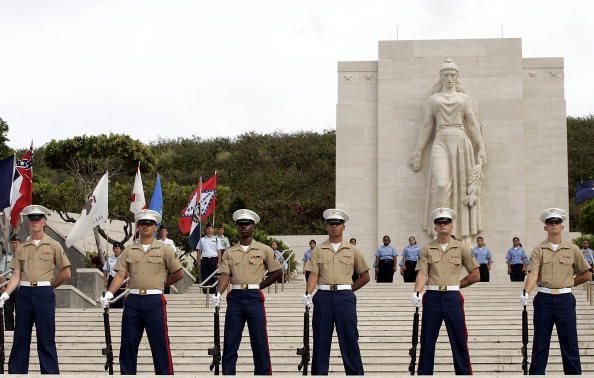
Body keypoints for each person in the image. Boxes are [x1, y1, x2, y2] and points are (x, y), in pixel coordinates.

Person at [410, 59, 487, 244]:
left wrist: (481, 146)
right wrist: (418, 152)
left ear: (457, 77)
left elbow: (472, 124)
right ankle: (440, 230)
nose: (450, 78)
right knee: (442, 184)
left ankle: (462, 234)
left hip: (461, 141)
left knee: (462, 189)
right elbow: (427, 125)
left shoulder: (463, 99)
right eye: (446, 75)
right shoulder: (434, 100)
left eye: (453, 75)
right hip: (441, 140)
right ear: (441, 77)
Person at [100, 209, 184, 375]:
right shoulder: (129, 250)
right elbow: (120, 275)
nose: (145, 226)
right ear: (138, 227)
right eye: (142, 223)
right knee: (128, 343)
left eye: (149, 223)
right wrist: (109, 293)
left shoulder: (164, 249)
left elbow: (179, 273)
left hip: (154, 301)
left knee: (159, 343)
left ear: (155, 227)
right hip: (133, 300)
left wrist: (162, 283)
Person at [0, 205, 71, 374]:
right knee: (20, 336)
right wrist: (5, 293)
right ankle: (16, 373)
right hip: (24, 294)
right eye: (32, 219)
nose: (35, 222)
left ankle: (50, 373)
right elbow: (16, 275)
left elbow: (66, 272)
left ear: (44, 221)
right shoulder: (22, 248)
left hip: (43, 294)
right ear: (28, 222)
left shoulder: (54, 245)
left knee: (46, 337)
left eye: (38, 218)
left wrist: (50, 285)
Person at [210, 209, 282, 375]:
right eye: (241, 225)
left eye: (247, 224)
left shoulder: (264, 249)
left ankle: (262, 374)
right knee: (230, 341)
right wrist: (218, 293)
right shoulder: (230, 252)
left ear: (253, 227)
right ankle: (229, 373)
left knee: (259, 341)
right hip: (235, 298)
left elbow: (277, 271)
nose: (244, 227)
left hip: (254, 297)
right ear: (237, 227)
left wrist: (260, 286)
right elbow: (225, 275)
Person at [520, 208, 591, 375]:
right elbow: (533, 273)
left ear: (562, 227)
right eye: (550, 223)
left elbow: (587, 273)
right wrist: (526, 292)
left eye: (557, 222)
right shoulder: (539, 250)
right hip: (543, 298)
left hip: (565, 299)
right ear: (545, 227)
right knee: (540, 343)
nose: (554, 225)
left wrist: (569, 283)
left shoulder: (572, 249)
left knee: (569, 343)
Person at [411, 207, 479, 375]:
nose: (443, 225)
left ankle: (463, 373)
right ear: (435, 227)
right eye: (439, 223)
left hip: (452, 297)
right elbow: (422, 272)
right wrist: (417, 291)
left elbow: (475, 274)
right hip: (432, 296)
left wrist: (456, 285)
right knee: (427, 339)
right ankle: (425, 373)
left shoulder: (462, 248)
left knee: (459, 339)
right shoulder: (426, 249)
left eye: (446, 222)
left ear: (451, 226)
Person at [303, 209, 370, 375]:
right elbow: (313, 274)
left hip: (344, 298)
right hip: (323, 296)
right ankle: (319, 374)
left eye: (337, 224)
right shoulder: (318, 250)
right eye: (331, 224)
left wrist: (349, 289)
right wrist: (308, 293)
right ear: (326, 227)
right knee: (320, 339)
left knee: (350, 338)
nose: (334, 227)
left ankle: (355, 374)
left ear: (343, 227)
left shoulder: (353, 250)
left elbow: (365, 276)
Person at [195, 223, 224, 293]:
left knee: (213, 276)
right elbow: (199, 251)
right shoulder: (202, 240)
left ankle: (213, 292)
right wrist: (198, 261)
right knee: (204, 275)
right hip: (204, 259)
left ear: (213, 230)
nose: (209, 230)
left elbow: (219, 251)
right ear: (205, 230)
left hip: (213, 260)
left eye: (211, 228)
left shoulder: (217, 239)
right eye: (208, 228)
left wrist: (219, 262)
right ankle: (205, 292)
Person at [1, 234, 19, 331]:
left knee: (20, 308)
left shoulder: (23, 256)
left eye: (16, 242)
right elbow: (1, 271)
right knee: (7, 308)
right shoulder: (6, 257)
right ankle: (9, 329)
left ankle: (20, 329)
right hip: (8, 284)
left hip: (20, 285)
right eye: (12, 243)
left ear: (20, 244)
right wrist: (2, 287)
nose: (14, 245)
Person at [102, 241, 125, 308]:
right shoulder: (109, 259)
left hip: (121, 280)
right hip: (111, 279)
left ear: (121, 250)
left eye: (117, 248)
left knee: (120, 298)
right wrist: (105, 281)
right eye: (114, 248)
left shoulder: (123, 259)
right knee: (111, 297)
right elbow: (105, 270)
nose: (116, 249)